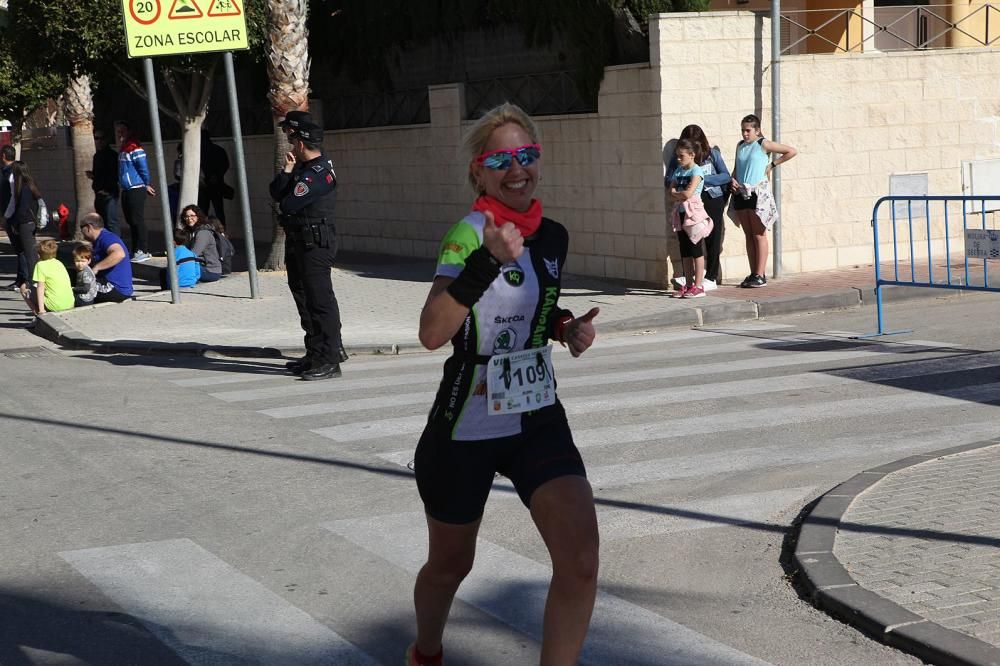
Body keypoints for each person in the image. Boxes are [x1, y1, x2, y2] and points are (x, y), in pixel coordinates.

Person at [407, 103, 600, 666]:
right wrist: (486, 262)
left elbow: (531, 307)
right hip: (467, 418)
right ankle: (426, 651)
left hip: (536, 410)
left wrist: (565, 328)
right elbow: (431, 331)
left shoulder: (554, 236)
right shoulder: (467, 236)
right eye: (501, 159)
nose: (517, 169)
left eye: (526, 155)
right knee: (450, 565)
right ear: (479, 172)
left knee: (581, 560)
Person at [268, 118, 347, 381]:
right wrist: (287, 170)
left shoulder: (318, 173)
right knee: (304, 298)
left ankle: (330, 358)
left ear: (300, 142)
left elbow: (289, 204)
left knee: (320, 301)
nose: (291, 145)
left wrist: (291, 180)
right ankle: (315, 352)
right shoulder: (303, 167)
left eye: (292, 140)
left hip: (315, 243)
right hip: (300, 241)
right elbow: (276, 192)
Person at [728, 114, 797, 288]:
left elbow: (791, 151)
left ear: (757, 130)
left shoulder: (763, 144)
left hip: (758, 192)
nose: (745, 134)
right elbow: (737, 167)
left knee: (759, 233)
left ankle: (760, 274)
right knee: (748, 234)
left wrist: (772, 165)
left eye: (748, 130)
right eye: (743, 130)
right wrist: (733, 180)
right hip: (742, 192)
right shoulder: (740, 146)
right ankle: (753, 273)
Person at [666, 125, 730, 289]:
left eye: (696, 142)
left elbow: (725, 176)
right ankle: (690, 277)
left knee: (713, 237)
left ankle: (711, 276)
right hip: (688, 203)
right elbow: (669, 179)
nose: (693, 145)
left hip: (711, 197)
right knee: (689, 241)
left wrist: (700, 180)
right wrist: (681, 186)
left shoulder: (712, 155)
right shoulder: (679, 158)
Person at [667, 139, 711, 299]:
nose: (678, 159)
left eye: (681, 156)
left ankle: (699, 286)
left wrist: (678, 194)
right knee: (684, 250)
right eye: (677, 156)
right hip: (680, 213)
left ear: (692, 155)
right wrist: (678, 194)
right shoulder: (678, 171)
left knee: (696, 249)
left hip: (693, 214)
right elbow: (670, 192)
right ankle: (689, 284)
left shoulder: (696, 171)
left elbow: (687, 193)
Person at [114, 120, 156, 263]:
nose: (119, 135)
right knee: (131, 220)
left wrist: (146, 183)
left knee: (137, 219)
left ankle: (143, 249)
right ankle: (135, 249)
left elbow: (143, 168)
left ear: (129, 132)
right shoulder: (123, 150)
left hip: (136, 188)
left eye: (122, 132)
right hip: (126, 189)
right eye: (118, 132)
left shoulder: (135, 148)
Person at [79, 213, 134, 303]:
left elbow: (119, 254)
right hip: (107, 284)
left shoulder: (106, 238)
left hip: (115, 289)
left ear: (88, 227)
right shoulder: (100, 239)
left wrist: (97, 268)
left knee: (79, 292)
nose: (81, 231)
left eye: (81, 227)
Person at [9, 162, 42, 296]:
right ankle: (31, 279)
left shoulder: (24, 188)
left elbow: (22, 209)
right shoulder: (29, 186)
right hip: (28, 223)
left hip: (25, 223)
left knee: (30, 254)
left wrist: (14, 223)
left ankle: (33, 281)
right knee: (29, 252)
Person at [22, 238, 73, 315]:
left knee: (23, 288)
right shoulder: (59, 263)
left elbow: (40, 288)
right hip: (70, 303)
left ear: (38, 255)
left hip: (54, 306)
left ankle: (38, 317)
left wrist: (41, 310)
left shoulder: (40, 265)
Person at [86, 130, 120, 236]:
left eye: (102, 138)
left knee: (111, 222)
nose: (99, 141)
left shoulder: (112, 155)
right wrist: (93, 176)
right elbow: (99, 174)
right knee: (102, 222)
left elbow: (114, 174)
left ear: (107, 140)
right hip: (99, 192)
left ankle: (117, 246)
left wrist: (108, 190)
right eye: (96, 138)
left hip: (109, 193)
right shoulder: (97, 156)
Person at [178, 204, 222, 283]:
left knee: (180, 270)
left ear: (198, 217)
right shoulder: (190, 232)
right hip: (199, 266)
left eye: (192, 216)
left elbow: (194, 254)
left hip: (210, 270)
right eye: (186, 216)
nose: (189, 219)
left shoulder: (203, 233)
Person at [198, 132, 230, 225]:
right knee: (219, 210)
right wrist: (217, 176)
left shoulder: (200, 151)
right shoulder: (218, 150)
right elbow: (226, 165)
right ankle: (222, 231)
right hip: (215, 184)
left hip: (205, 185)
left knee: (203, 210)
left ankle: (205, 231)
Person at [1, 145, 17, 289]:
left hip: (12, 214)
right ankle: (21, 278)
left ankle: (25, 279)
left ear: (4, 156)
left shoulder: (12, 172)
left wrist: (6, 216)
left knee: (21, 247)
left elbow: (12, 196)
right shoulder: (6, 171)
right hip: (9, 212)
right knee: (18, 247)